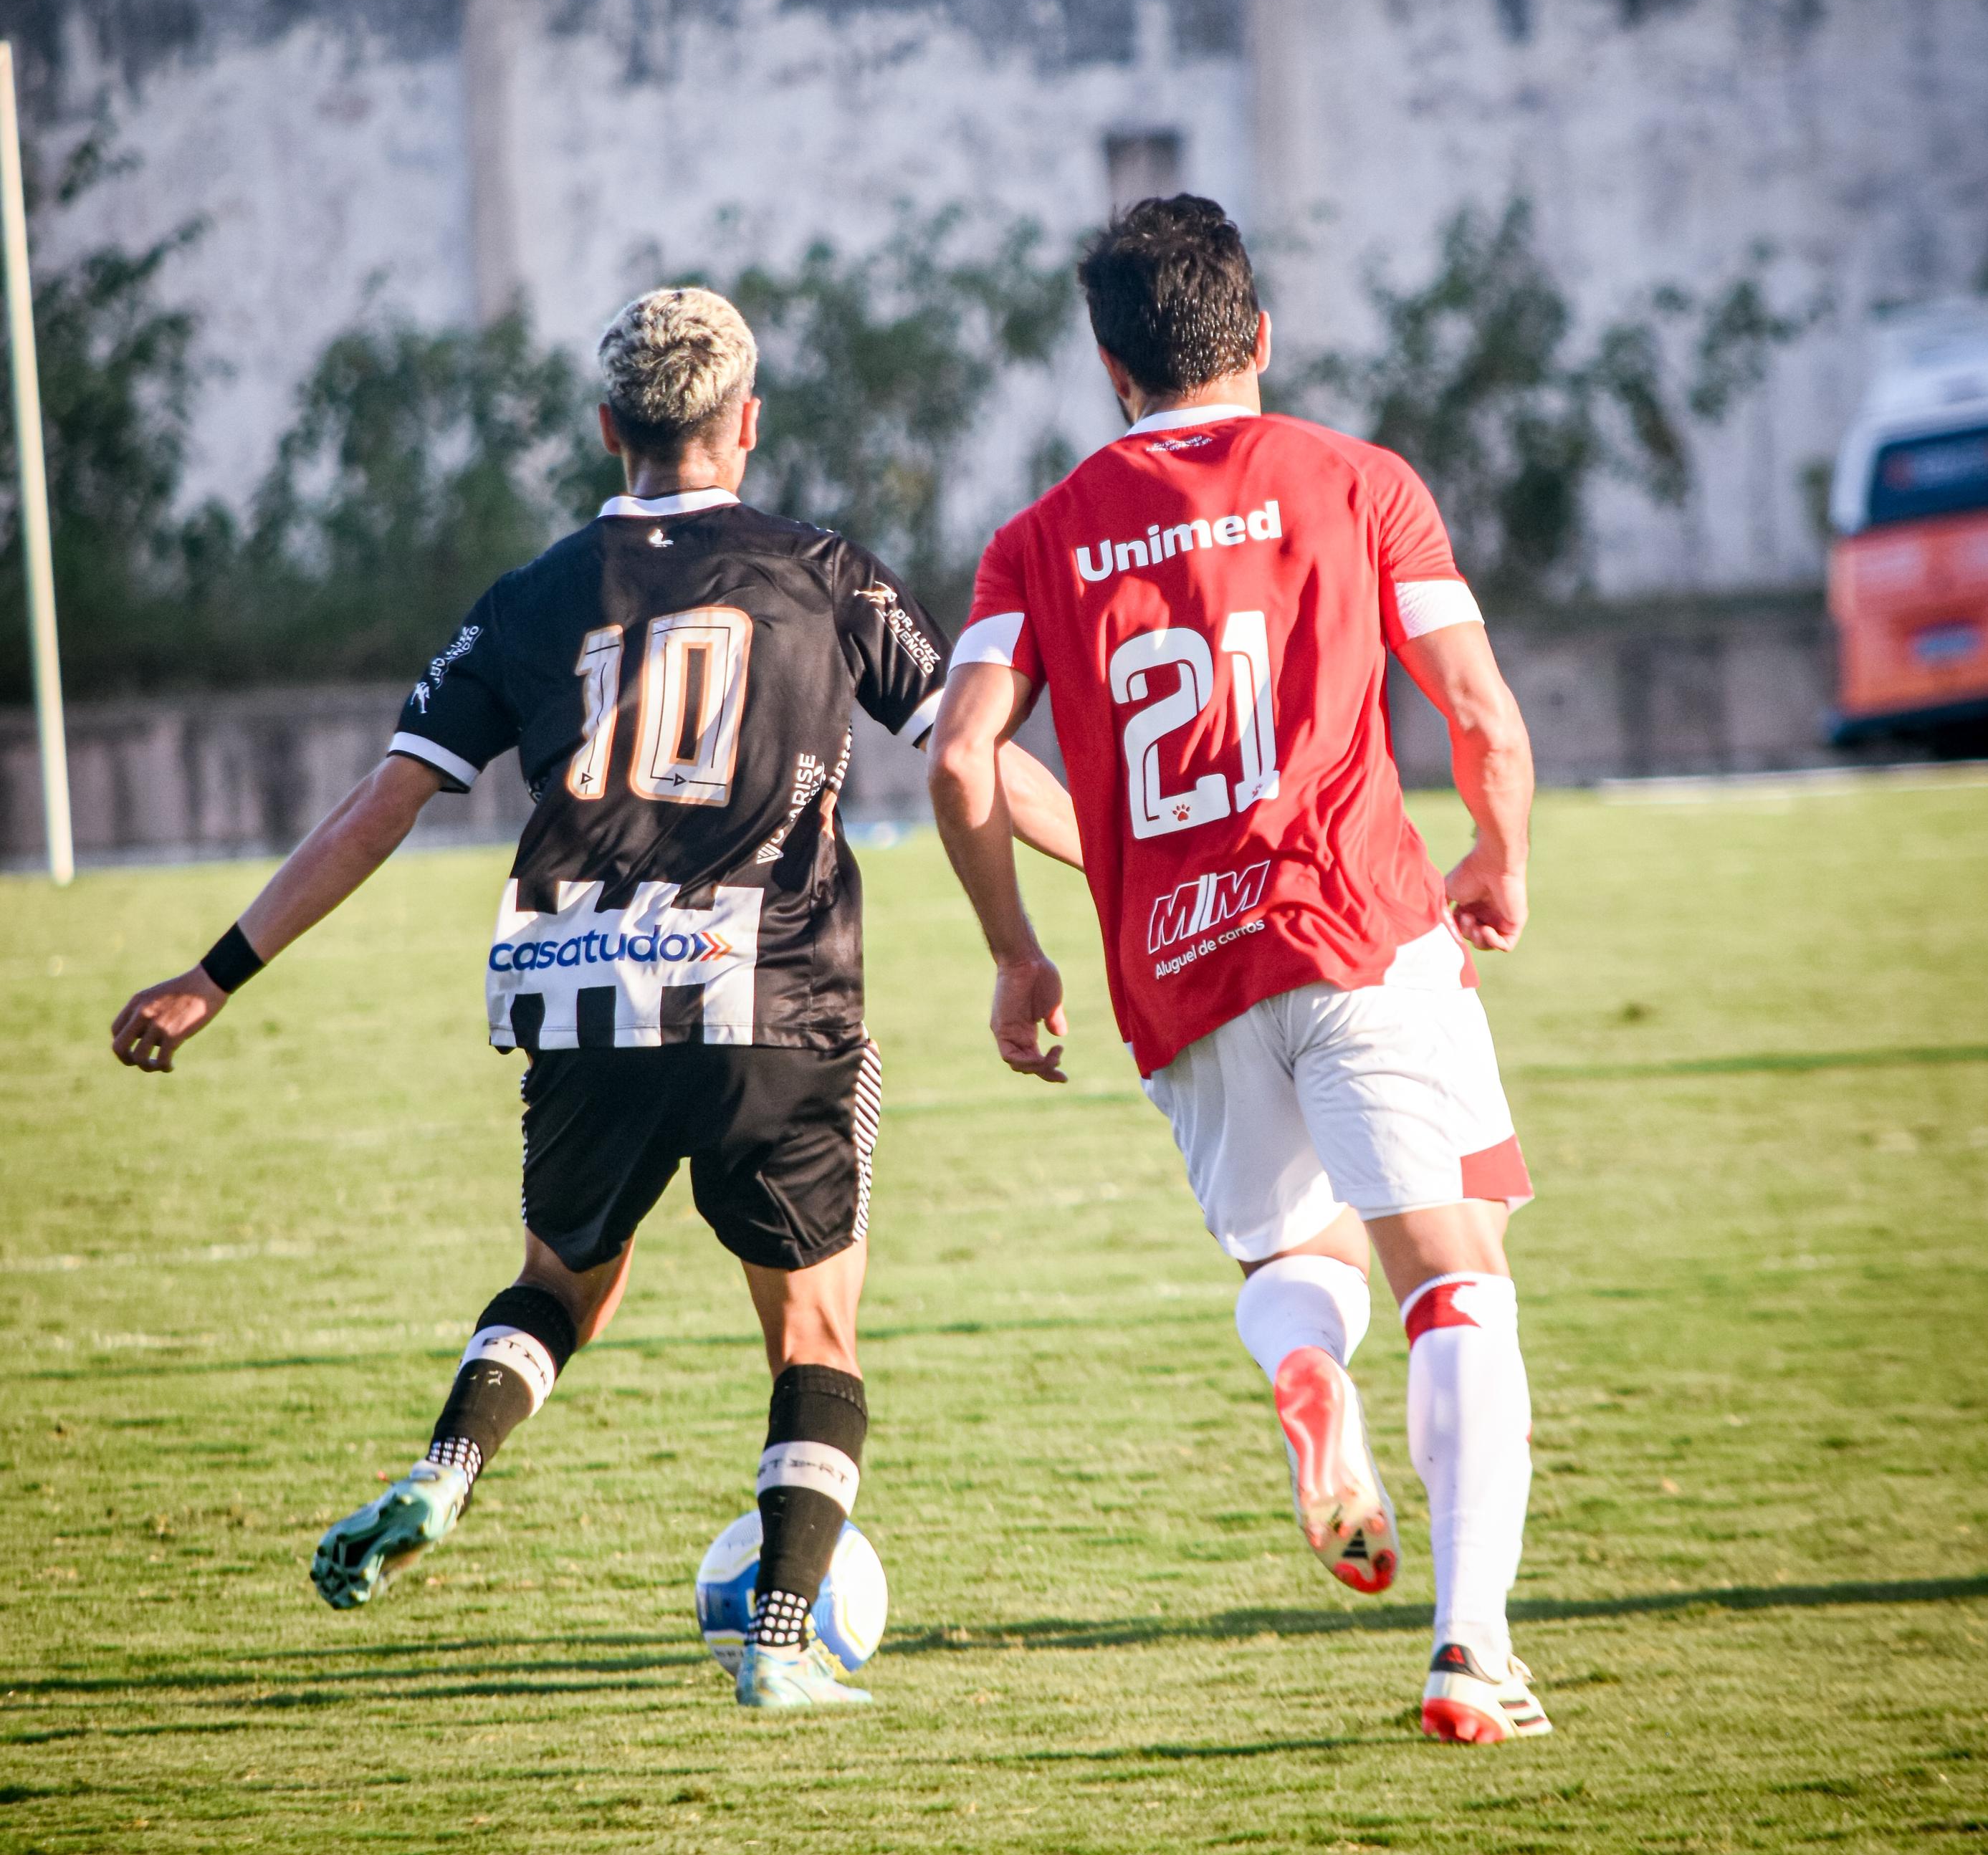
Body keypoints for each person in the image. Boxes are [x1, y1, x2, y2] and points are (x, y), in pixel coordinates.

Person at [110, 284, 1074, 1716]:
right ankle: (783, 1639)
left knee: (564, 1280)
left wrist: (214, 973)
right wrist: (1134, 862)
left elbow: (378, 812)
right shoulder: (825, 574)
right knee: (813, 1332)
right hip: (768, 989)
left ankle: (446, 1471)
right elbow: (977, 760)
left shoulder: (529, 599)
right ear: (745, 425)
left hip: (576, 988)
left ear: (608, 429)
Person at [927, 197, 1549, 1745]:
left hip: (1178, 972)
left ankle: (1303, 1381)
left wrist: (1019, 952)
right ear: (1257, 334)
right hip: (1356, 922)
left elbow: (956, 762)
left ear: (1107, 365)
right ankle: (1472, 1652)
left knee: (1294, 1263)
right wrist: (1498, 858)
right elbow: (1476, 705)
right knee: (1454, 1277)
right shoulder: (1357, 480)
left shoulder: (1040, 533)